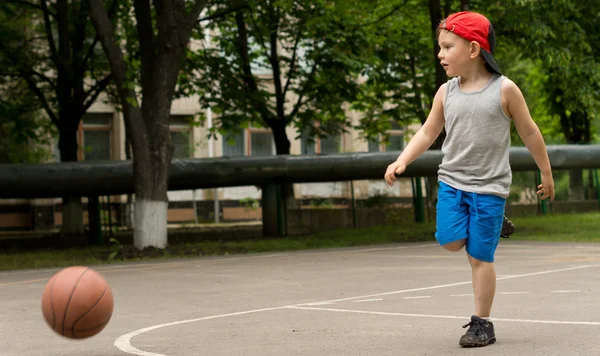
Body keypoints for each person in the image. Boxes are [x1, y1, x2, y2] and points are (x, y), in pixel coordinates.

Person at [383, 11, 555, 347]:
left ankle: (482, 324)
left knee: (479, 257)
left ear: (474, 50)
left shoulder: (505, 90)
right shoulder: (446, 93)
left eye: (447, 47)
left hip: (490, 188)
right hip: (452, 183)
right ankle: (492, 226)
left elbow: (530, 132)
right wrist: (402, 159)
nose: (440, 54)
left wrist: (546, 173)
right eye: (440, 47)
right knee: (449, 241)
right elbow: (428, 131)